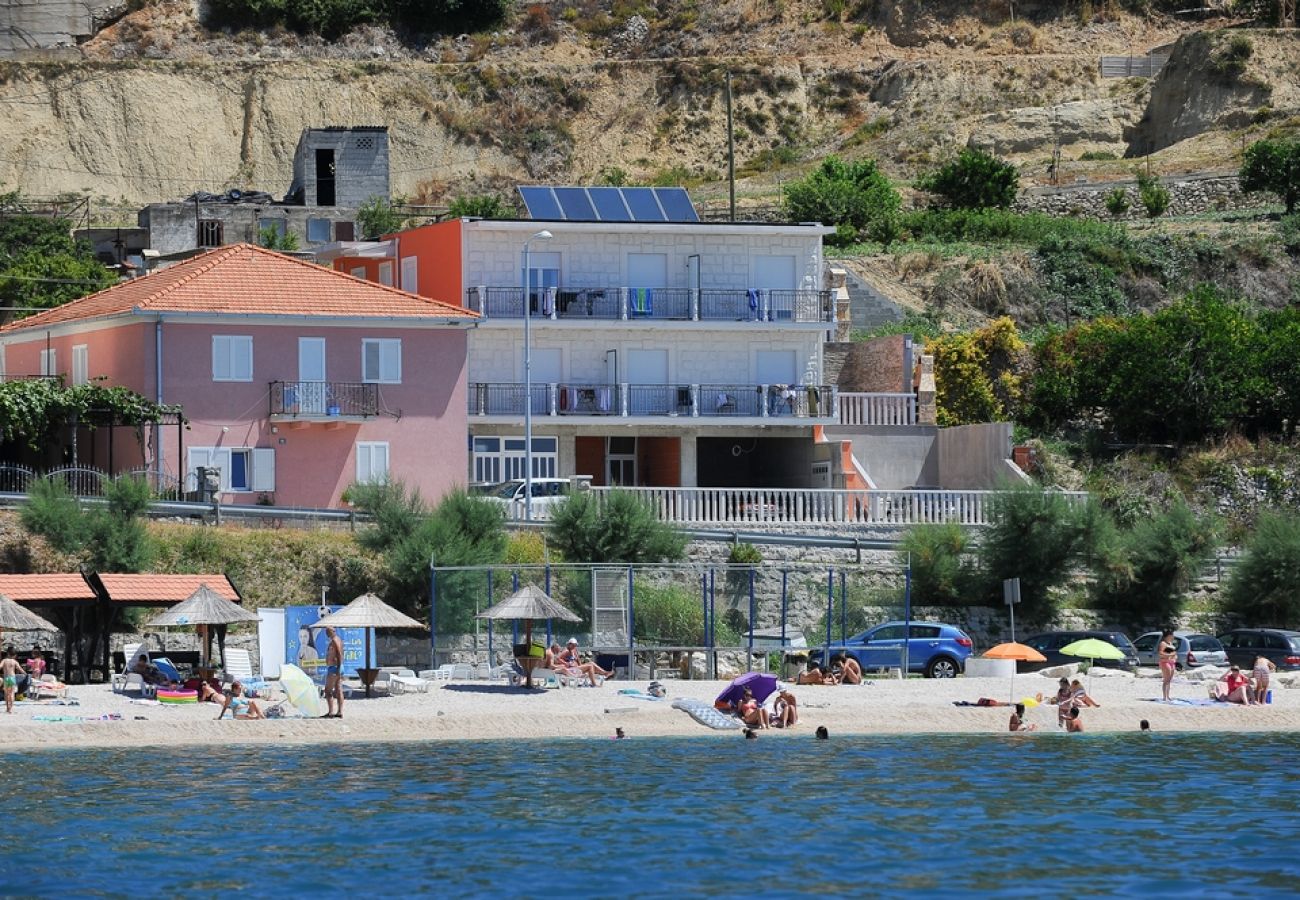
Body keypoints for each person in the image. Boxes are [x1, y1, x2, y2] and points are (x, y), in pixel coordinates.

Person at [324, 626, 344, 719]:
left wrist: (339, 667)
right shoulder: (335, 640)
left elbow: (339, 654)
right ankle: (339, 712)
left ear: (333, 631)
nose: (326, 633)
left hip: (335, 667)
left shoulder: (335, 640)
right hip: (336, 667)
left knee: (328, 690)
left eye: (328, 631)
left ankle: (331, 712)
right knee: (338, 689)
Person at [0, 649, 25, 714]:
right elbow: (20, 669)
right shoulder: (14, 662)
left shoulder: (4, 660)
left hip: (6, 678)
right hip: (12, 678)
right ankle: (10, 709)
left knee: (6, 693)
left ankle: (7, 708)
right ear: (14, 655)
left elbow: (0, 666)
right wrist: (25, 674)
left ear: (8, 654)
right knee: (11, 693)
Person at [1157, 629, 1178, 702]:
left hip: (1172, 662)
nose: (1173, 637)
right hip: (1165, 662)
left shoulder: (1170, 643)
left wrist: (1174, 656)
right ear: (1168, 636)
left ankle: (1168, 696)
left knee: (1169, 680)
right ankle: (1164, 697)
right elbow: (1160, 653)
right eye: (1171, 635)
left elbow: (1174, 652)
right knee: (1166, 680)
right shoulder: (1163, 643)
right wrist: (1170, 655)